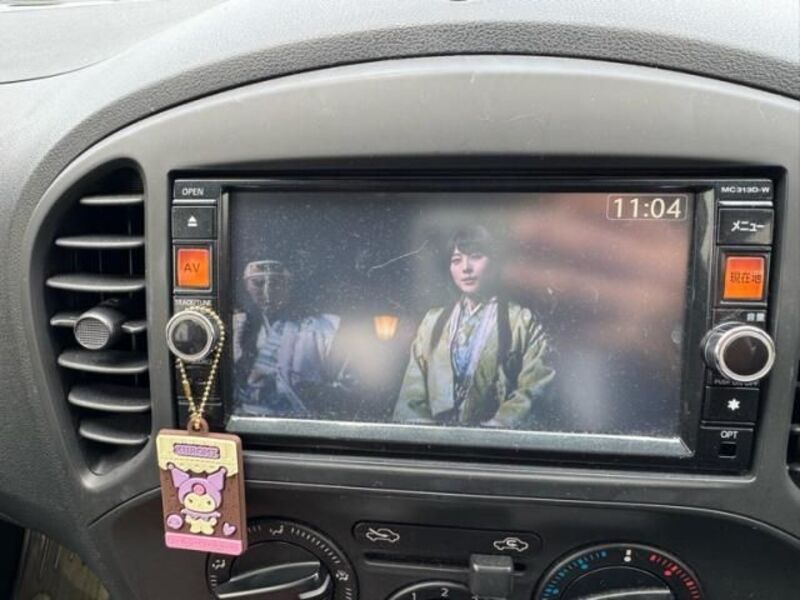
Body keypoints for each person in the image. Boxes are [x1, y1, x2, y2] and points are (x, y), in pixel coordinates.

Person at [394, 226, 555, 428]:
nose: (466, 268)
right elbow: (412, 393)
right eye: (456, 260)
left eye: (476, 257)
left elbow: (536, 386)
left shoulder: (521, 321)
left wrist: (497, 425)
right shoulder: (432, 321)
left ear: (495, 263)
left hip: (492, 438)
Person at [233, 259, 353, 417]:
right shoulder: (236, 327)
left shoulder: (324, 328)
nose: (267, 293)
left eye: (276, 284)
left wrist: (314, 392)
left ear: (289, 286)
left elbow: (350, 387)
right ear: (246, 287)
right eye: (258, 283)